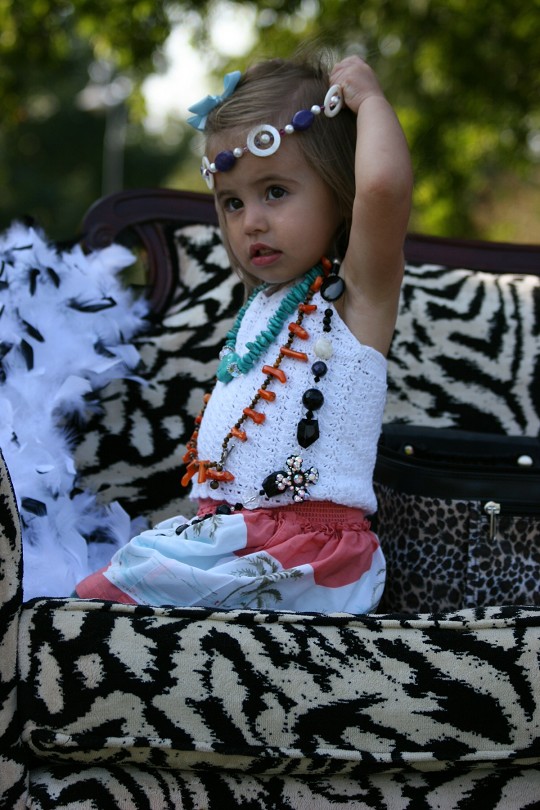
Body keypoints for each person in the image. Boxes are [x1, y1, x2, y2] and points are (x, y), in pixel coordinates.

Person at [75, 52, 413, 612]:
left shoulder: (355, 296)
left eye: (275, 191)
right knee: (103, 592)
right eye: (232, 202)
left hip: (310, 557)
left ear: (338, 190)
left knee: (104, 600)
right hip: (231, 541)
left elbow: (383, 190)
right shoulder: (261, 309)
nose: (251, 221)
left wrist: (372, 102)